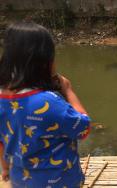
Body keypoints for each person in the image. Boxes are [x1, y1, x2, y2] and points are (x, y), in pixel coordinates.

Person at [0, 22, 91, 188]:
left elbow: (1, 142)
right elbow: (83, 128)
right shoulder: (49, 102)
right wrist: (68, 90)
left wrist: (5, 168)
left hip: (21, 180)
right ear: (44, 62)